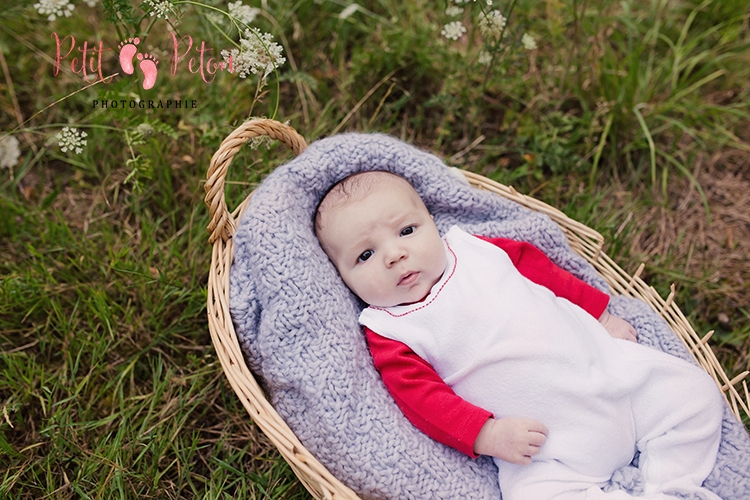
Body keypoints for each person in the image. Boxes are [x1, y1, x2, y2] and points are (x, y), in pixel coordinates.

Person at [314, 170, 725, 500]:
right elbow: (423, 400)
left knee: (694, 394)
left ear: (431, 222)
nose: (394, 254)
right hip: (547, 448)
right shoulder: (391, 329)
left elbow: (545, 273)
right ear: (343, 279)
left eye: (406, 231)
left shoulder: (477, 251)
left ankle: (673, 485)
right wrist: (486, 434)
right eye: (365, 255)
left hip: (613, 377)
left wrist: (599, 314)